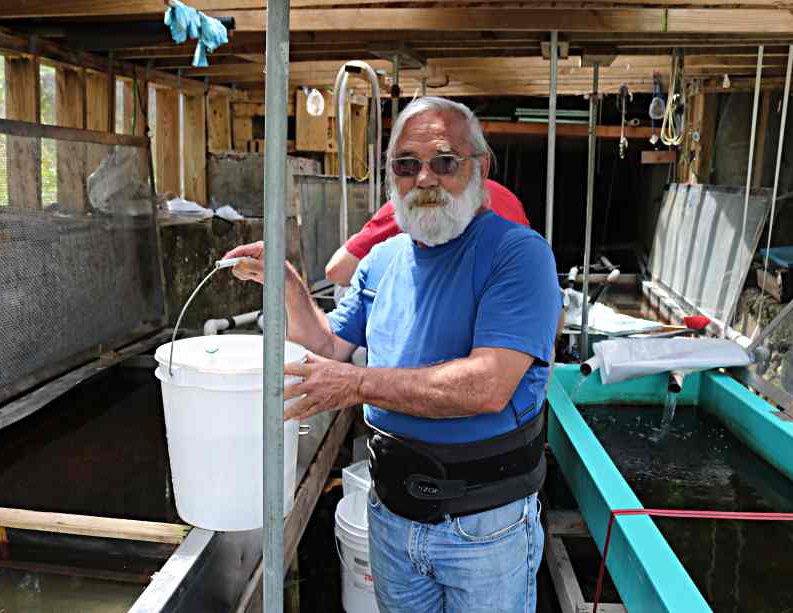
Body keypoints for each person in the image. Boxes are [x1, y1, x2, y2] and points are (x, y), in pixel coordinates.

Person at [223, 96, 561, 613]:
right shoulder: (381, 261)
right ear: (390, 177)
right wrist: (289, 285)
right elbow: (328, 347)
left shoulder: (519, 255)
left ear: (480, 168)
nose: (424, 178)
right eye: (407, 165)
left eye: (444, 162)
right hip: (392, 513)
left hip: (484, 526)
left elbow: (488, 385)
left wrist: (356, 383)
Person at [325, 179, 529, 286]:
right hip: (518, 317)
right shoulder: (508, 198)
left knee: (344, 289)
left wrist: (356, 241)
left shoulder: (419, 200)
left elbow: (337, 271)